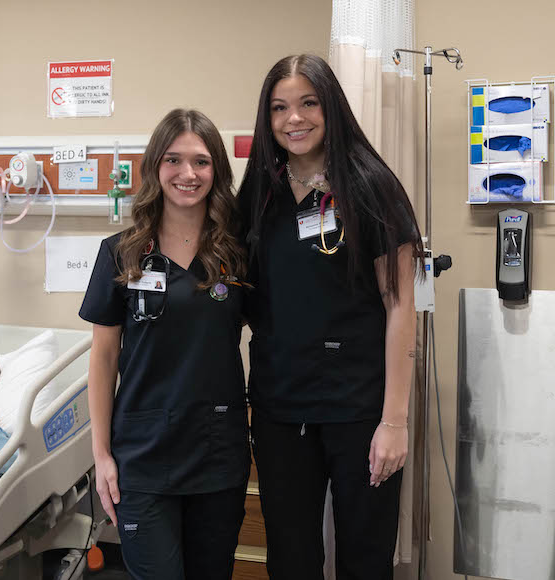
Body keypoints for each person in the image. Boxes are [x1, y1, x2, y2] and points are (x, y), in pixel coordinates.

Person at [236, 53, 423, 580]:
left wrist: (394, 421)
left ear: (330, 107)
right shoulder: (258, 193)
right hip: (280, 408)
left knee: (366, 556)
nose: (294, 118)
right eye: (279, 107)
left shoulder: (371, 186)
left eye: (307, 103)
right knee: (292, 558)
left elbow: (400, 307)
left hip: (360, 408)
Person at [79, 109, 249, 579]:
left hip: (217, 454)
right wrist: (102, 455)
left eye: (201, 161)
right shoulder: (121, 253)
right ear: (155, 166)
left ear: (216, 171)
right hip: (143, 456)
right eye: (173, 160)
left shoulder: (235, 252)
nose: (187, 174)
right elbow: (104, 357)